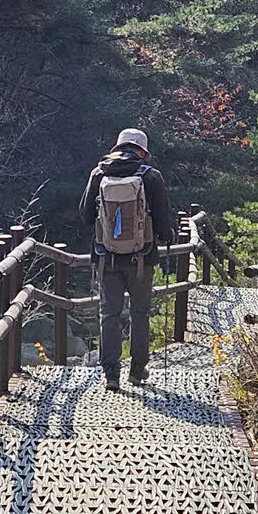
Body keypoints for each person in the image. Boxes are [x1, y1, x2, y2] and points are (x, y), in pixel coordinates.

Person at [79, 127, 172, 391]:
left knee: (109, 313)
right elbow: (163, 220)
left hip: (106, 257)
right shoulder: (151, 176)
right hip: (142, 257)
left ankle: (111, 374)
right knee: (140, 313)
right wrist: (167, 237)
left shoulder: (99, 173)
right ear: (142, 152)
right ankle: (137, 369)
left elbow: (86, 215)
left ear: (117, 148)